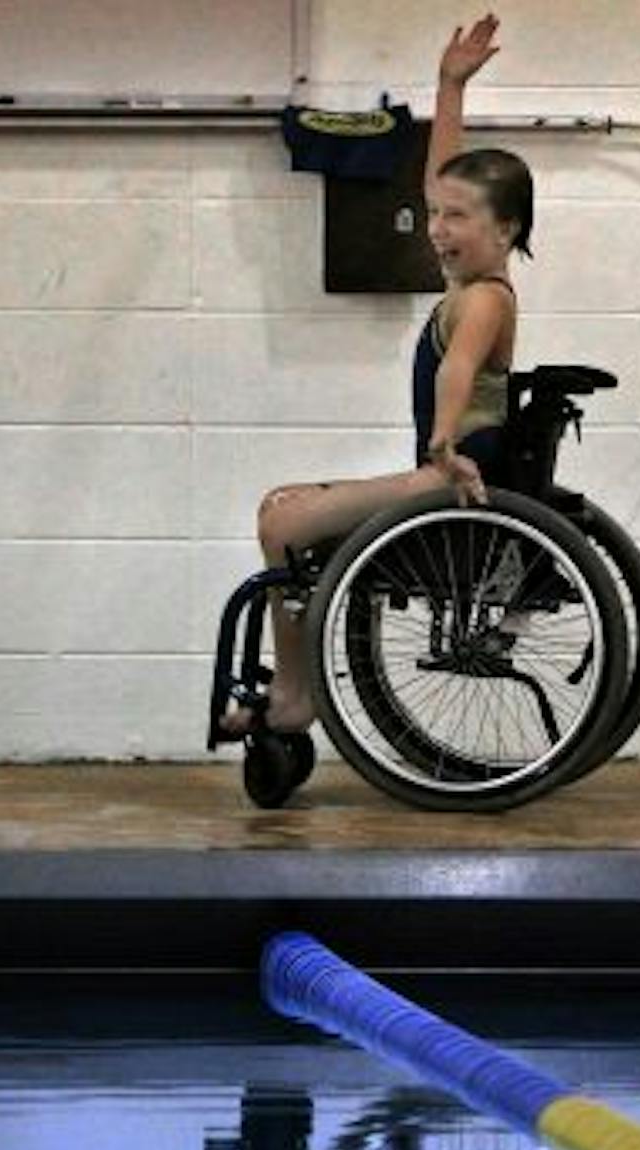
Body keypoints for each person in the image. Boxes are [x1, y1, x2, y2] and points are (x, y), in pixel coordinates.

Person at [223, 13, 531, 737]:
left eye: (457, 219)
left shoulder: (485, 300)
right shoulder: (470, 284)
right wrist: (449, 86)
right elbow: (440, 175)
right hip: (444, 464)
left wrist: (444, 444)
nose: (437, 228)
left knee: (281, 523)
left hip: (451, 470)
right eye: (436, 215)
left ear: (506, 230)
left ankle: (295, 699)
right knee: (283, 509)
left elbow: (457, 371)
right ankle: (296, 687)